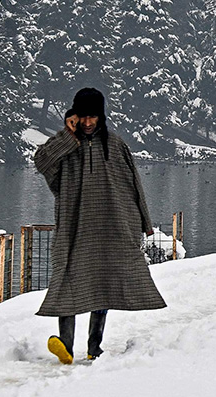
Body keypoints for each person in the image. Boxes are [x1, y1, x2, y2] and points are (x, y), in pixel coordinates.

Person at [32, 87, 166, 364]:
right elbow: (41, 161)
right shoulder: (67, 146)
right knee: (66, 277)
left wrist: (144, 222)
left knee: (103, 282)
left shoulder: (115, 145)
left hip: (113, 225)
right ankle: (66, 346)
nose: (89, 122)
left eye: (93, 116)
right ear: (75, 117)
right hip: (74, 225)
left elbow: (134, 185)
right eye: (83, 117)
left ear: (101, 116)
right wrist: (67, 135)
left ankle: (95, 346)